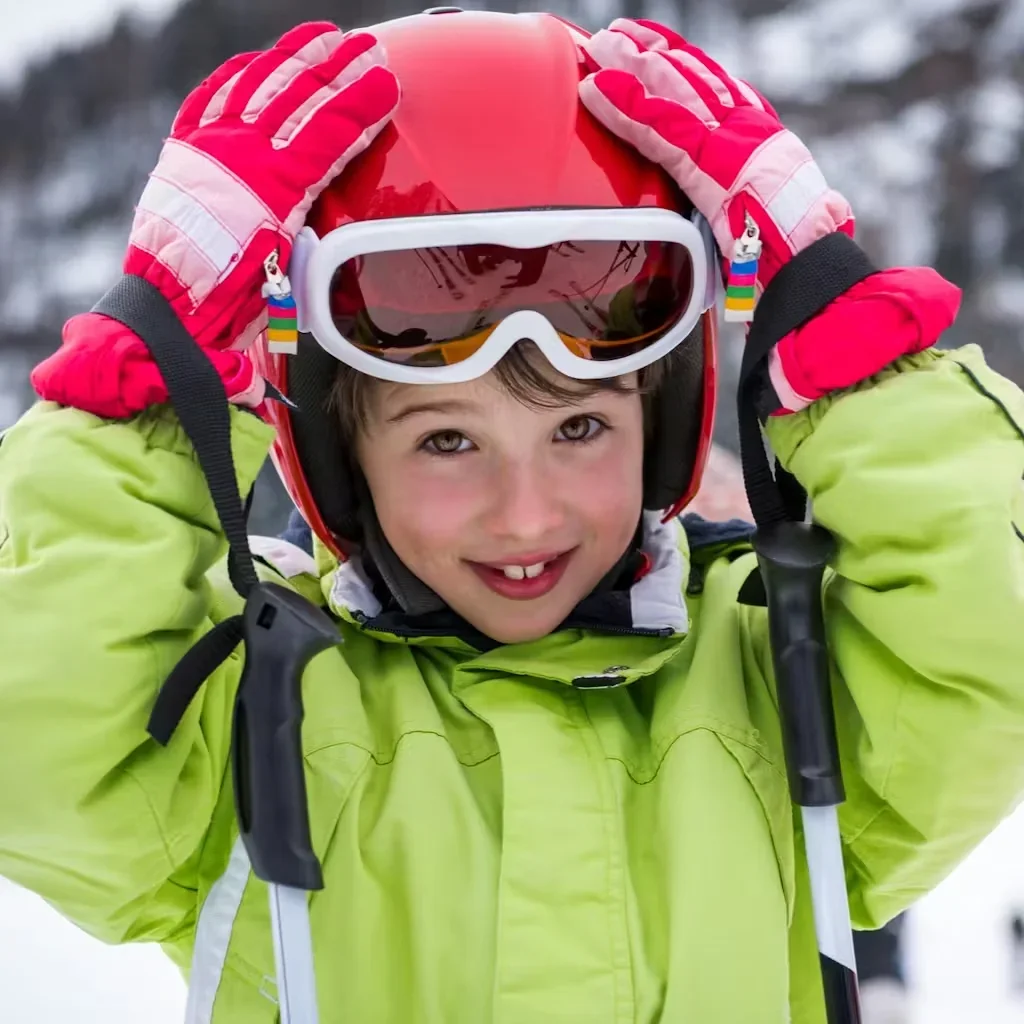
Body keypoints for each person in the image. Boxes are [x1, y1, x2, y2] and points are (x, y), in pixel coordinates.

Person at [0, 10, 1021, 1023]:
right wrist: (147, 382)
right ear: (337, 457)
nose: (526, 514)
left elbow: (994, 623)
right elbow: (36, 734)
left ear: (663, 417)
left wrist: (846, 332)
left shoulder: (784, 683)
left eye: (579, 427)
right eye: (447, 440)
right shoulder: (251, 725)